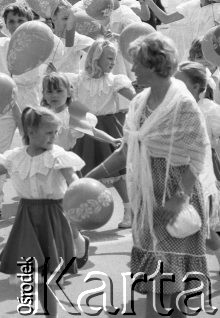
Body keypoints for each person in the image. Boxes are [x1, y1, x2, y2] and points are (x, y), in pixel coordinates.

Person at [87, 33, 211, 317]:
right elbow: (125, 151)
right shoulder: (139, 102)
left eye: (137, 64)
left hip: (173, 198)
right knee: (164, 287)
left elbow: (198, 155)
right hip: (147, 199)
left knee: (168, 286)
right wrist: (90, 178)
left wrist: (180, 198)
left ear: (155, 65)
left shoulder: (182, 104)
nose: (132, 70)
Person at [0, 107, 83, 316]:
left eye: (55, 132)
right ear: (31, 132)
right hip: (27, 218)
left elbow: (73, 181)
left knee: (47, 275)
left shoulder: (58, 156)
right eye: (48, 132)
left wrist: (82, 196)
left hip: (53, 217)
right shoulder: (16, 156)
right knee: (35, 276)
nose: (53, 137)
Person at [0, 3, 67, 220]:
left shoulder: (40, 42)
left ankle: (43, 196)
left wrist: (53, 25)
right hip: (5, 100)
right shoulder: (2, 44)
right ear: (5, 25)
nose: (15, 26)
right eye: (11, 22)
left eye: (20, 21)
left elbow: (58, 52)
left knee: (35, 148)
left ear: (29, 22)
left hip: (31, 101)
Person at [41, 72, 122, 267]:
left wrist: (111, 140)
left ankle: (77, 241)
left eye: (59, 90)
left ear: (69, 92)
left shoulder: (73, 112)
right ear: (43, 93)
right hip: (44, 167)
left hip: (64, 166)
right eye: (49, 91)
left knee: (68, 210)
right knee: (45, 210)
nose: (54, 95)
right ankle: (57, 249)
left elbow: (92, 130)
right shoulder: (41, 113)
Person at [68, 39, 135, 229]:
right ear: (96, 57)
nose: (113, 62)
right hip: (84, 129)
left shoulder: (115, 80)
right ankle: (78, 215)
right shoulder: (78, 79)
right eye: (109, 58)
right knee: (83, 173)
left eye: (114, 58)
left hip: (108, 126)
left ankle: (129, 210)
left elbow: (135, 98)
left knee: (117, 174)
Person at [174, 61, 220, 267]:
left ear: (196, 87)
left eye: (179, 82)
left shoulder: (210, 110)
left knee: (206, 233)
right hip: (176, 179)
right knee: (181, 230)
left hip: (202, 179)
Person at [142, 0, 220, 62]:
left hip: (213, 49)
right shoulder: (192, 5)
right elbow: (166, 19)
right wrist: (150, 2)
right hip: (196, 49)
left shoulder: (217, 8)